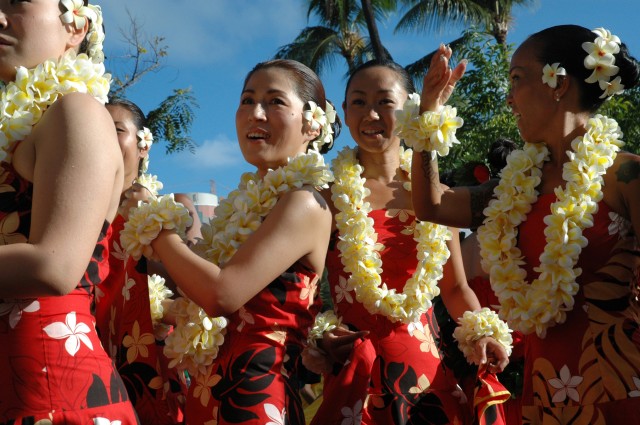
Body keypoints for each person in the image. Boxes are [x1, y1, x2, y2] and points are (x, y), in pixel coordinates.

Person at [407, 26, 640, 423]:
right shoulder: (514, 190)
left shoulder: (626, 176)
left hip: (623, 384)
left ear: (558, 84)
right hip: (545, 390)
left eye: (517, 79)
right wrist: (429, 118)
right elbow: (432, 205)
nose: (509, 97)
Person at [120, 59, 338, 425]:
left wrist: (154, 225)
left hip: (255, 397)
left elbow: (221, 294)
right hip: (209, 391)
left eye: (275, 102)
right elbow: (193, 284)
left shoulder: (305, 203)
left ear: (312, 124)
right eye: (247, 100)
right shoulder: (246, 205)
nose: (256, 113)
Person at [309, 59, 512, 425]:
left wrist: (483, 332)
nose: (370, 113)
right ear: (343, 111)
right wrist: (318, 336)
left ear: (410, 109)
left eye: (385, 102)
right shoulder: (323, 198)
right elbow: (304, 292)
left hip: (426, 371)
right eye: (358, 102)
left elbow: (455, 288)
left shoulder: (436, 197)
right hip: (356, 372)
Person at [0, 1, 139, 423]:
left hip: (49, 385)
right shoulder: (29, 130)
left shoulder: (77, 111)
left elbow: (54, 265)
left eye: (15, 3)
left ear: (75, 26)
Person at [97, 97, 185, 424]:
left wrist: (153, 230)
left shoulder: (163, 213)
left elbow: (186, 286)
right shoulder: (76, 207)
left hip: (145, 358)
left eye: (116, 129)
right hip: (86, 343)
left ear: (143, 144)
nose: (103, 136)